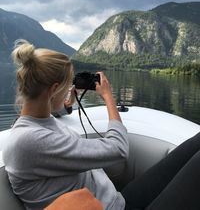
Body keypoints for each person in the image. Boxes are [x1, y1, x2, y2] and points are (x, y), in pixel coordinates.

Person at [3, 39, 200, 210]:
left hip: (118, 200)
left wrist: (67, 105)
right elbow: (119, 148)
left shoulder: (29, 123)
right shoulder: (31, 142)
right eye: (66, 86)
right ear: (53, 89)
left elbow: (47, 116)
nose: (68, 90)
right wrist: (108, 97)